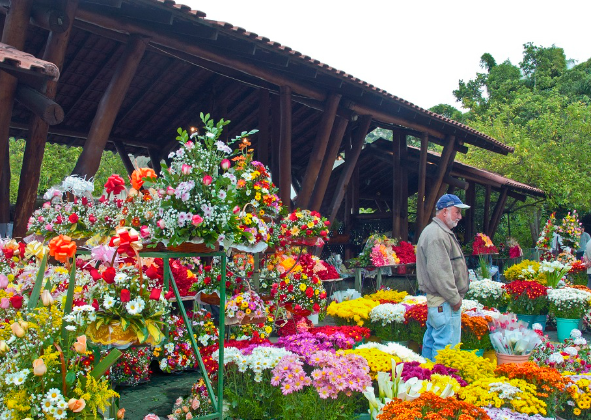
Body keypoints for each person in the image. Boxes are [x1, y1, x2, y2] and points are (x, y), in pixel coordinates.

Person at [416, 194, 470, 361]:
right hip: (444, 302)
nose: (460, 217)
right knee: (446, 349)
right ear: (445, 211)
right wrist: (455, 299)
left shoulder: (438, 231)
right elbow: (440, 273)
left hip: (440, 302)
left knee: (433, 343)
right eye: (457, 212)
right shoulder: (437, 235)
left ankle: (428, 380)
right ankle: (440, 382)